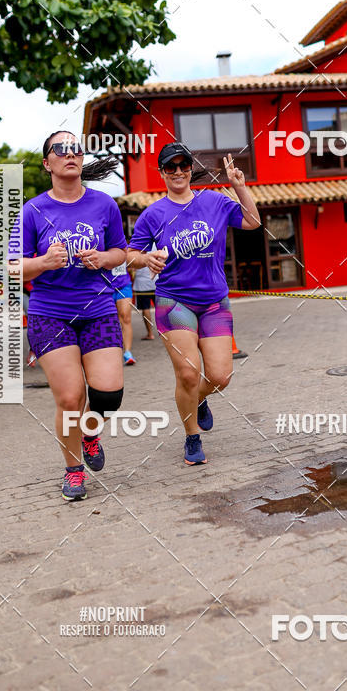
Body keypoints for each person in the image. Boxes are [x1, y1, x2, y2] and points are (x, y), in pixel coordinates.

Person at [127, 144, 261, 466]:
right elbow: (129, 257)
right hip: (173, 301)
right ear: (161, 172)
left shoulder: (214, 202)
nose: (177, 172)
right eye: (169, 167)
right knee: (188, 373)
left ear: (190, 169)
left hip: (214, 302)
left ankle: (198, 400)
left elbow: (253, 222)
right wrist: (146, 259)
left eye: (182, 165)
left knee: (220, 376)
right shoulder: (153, 214)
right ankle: (191, 436)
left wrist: (239, 187)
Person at [12, 131, 127, 502]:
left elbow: (121, 253)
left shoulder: (104, 205)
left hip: (97, 309)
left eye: (75, 147)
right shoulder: (32, 210)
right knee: (70, 396)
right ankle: (74, 469)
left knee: (108, 394)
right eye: (59, 150)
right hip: (50, 314)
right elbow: (13, 268)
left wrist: (104, 258)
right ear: (47, 163)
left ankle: (90, 432)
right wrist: (43, 263)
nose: (69, 153)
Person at [112, 260, 136, 365]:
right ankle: (112, 353)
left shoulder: (124, 247)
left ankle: (127, 353)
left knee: (126, 318)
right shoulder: (99, 245)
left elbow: (132, 266)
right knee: (110, 321)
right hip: (105, 287)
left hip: (124, 285)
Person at [133, 260, 156, 340]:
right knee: (162, 309)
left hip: (141, 284)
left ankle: (150, 334)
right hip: (156, 281)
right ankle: (166, 331)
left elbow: (131, 268)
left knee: (146, 309)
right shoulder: (156, 248)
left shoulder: (135, 249)